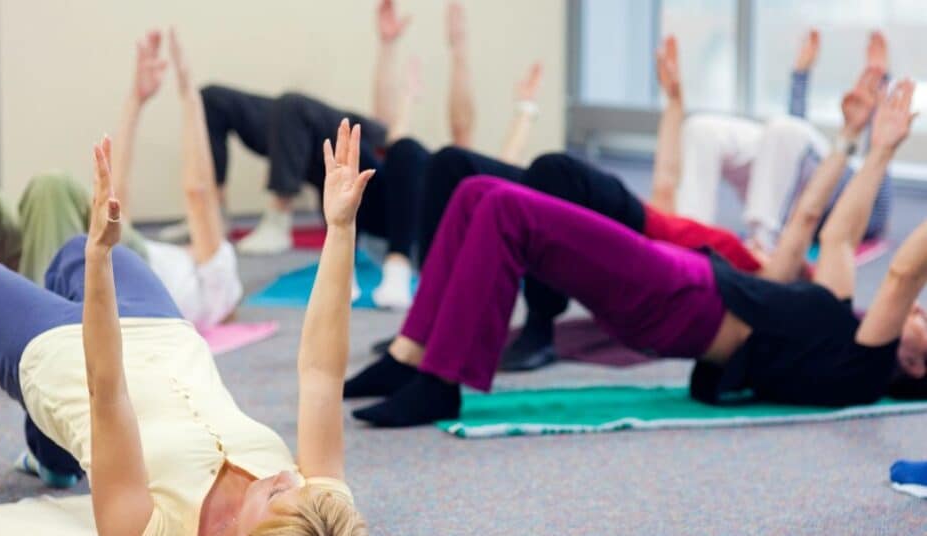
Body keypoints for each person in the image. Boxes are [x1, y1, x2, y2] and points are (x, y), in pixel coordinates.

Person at [0, 120, 380, 536]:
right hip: (167, 336)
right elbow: (320, 375)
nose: (290, 476)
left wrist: (102, 258)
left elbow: (106, 389)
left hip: (72, 356)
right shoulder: (320, 524)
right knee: (75, 250)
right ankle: (51, 459)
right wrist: (339, 228)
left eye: (275, 493)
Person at [343, 73, 919, 428]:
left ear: (917, 365)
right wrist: (864, 144)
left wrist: (884, 153)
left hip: (685, 298)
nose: (919, 312)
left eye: (923, 321)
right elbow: (823, 228)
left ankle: (441, 383)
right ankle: (409, 356)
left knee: (507, 211)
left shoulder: (863, 366)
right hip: (684, 290)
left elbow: (900, 275)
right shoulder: (838, 319)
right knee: (476, 193)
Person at [0, 31, 242, 331]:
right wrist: (136, 99)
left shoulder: (219, 282)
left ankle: (20, 335)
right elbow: (115, 199)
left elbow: (198, 193)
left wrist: (190, 95)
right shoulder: (171, 264)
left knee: (54, 188)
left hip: (94, 271)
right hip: (78, 261)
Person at [674, 30, 893, 251]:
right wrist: (800, 74)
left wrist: (881, 88)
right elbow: (793, 139)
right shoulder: (810, 154)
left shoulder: (867, 210)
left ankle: (760, 246)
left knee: (783, 130)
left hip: (793, 201)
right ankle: (690, 240)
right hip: (780, 184)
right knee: (700, 129)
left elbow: (880, 158)